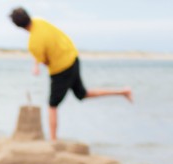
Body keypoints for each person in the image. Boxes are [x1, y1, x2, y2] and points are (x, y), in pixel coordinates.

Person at [9, 7, 132, 141]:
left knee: (52, 105)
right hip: (73, 58)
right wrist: (37, 63)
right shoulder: (40, 21)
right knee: (83, 94)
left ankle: (53, 140)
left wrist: (38, 64)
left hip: (60, 69)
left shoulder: (33, 43)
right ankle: (123, 92)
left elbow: (45, 61)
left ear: (18, 26)